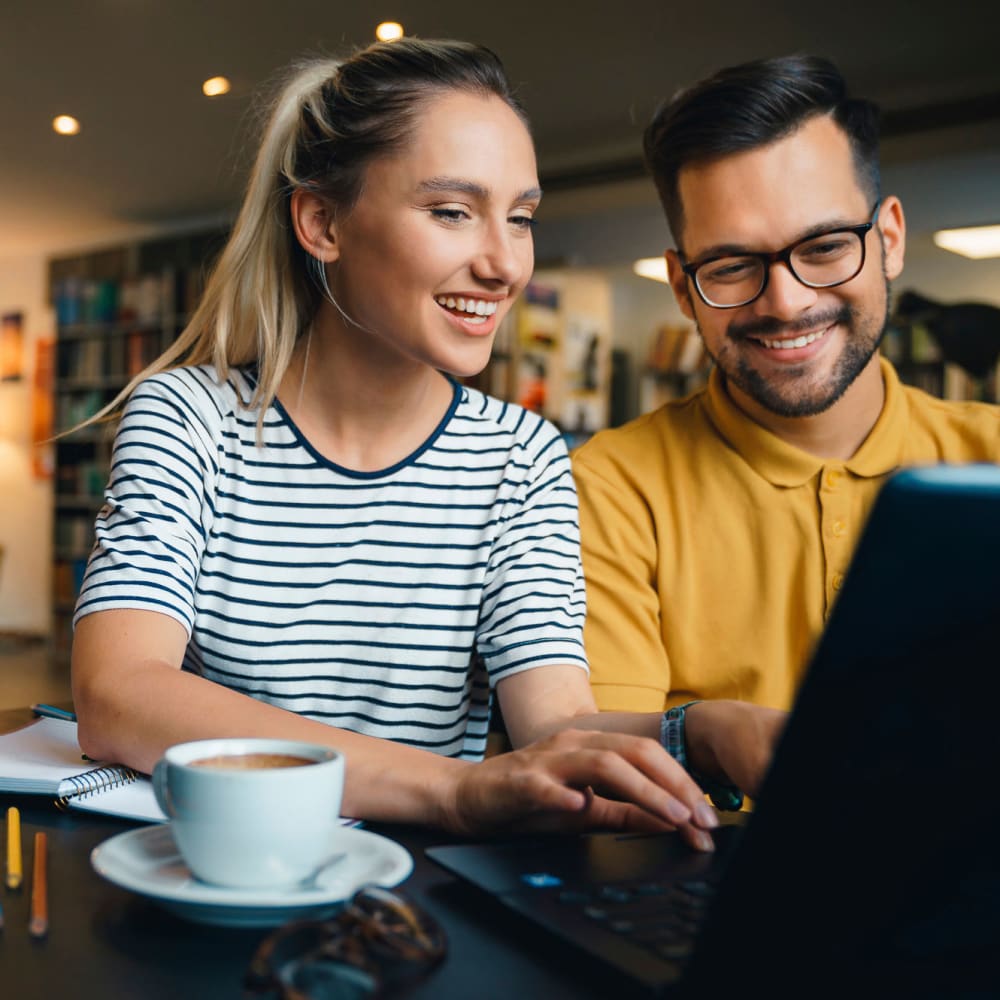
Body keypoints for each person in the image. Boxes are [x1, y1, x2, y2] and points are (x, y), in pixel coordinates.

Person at [71, 39, 781, 848]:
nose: (504, 264)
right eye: (452, 211)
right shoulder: (188, 418)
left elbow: (557, 726)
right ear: (322, 221)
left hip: (409, 903)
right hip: (214, 868)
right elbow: (118, 693)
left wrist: (708, 732)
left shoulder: (523, 456)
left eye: (520, 218)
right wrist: (454, 789)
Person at [573, 55, 999, 716]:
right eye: (732, 264)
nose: (786, 302)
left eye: (825, 246)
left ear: (889, 239)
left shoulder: (991, 456)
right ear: (683, 286)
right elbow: (603, 781)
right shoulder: (606, 490)